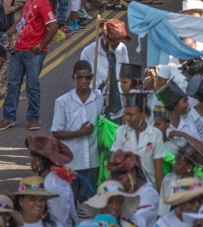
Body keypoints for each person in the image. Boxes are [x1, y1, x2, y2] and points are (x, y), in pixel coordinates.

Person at [0, 0, 58, 131]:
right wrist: (6, 34)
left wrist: (40, 45)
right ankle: (8, 118)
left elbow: (53, 26)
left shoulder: (43, 2)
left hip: (33, 53)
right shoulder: (29, 1)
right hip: (18, 50)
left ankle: (33, 118)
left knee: (32, 86)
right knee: (13, 84)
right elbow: (21, 22)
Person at [51, 59, 104, 208]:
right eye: (79, 77)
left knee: (89, 204)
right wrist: (80, 133)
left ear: (91, 77)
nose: (83, 81)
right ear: (73, 78)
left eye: (87, 77)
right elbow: (56, 133)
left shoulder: (99, 99)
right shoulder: (62, 102)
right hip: (72, 162)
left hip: (92, 162)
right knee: (70, 202)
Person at [111, 93, 165, 191]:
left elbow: (158, 171)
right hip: (126, 189)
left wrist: (160, 194)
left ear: (142, 114)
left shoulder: (155, 135)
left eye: (131, 114)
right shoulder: (121, 132)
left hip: (148, 188)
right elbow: (114, 164)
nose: (127, 118)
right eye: (125, 114)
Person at [24, 136, 78, 227]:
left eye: (32, 158)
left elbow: (60, 221)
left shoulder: (55, 187)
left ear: (39, 162)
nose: (30, 162)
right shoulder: (49, 180)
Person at [106, 150, 160, 226]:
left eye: (121, 179)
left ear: (133, 173)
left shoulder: (149, 195)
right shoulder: (120, 190)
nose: (117, 183)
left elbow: (138, 222)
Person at [158, 138, 203, 215]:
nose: (175, 163)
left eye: (179, 160)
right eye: (176, 158)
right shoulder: (168, 180)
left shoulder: (199, 188)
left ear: (189, 168)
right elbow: (162, 211)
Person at [81, 19, 131, 89]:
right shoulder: (87, 52)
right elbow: (83, 79)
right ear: (105, 39)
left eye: (119, 42)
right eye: (114, 42)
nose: (118, 44)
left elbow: (126, 72)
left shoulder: (122, 48)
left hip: (118, 93)